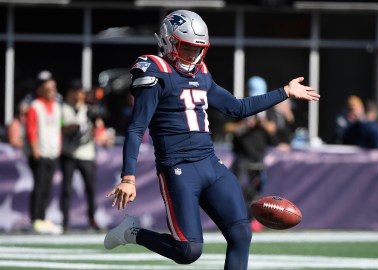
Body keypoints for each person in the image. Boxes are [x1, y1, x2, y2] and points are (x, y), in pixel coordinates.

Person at [103, 10, 319, 270]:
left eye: (197, 50)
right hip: (178, 168)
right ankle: (132, 232)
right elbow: (137, 128)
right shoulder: (154, 70)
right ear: (168, 42)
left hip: (210, 164)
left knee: (241, 234)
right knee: (188, 251)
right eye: (186, 49)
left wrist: (285, 92)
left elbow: (236, 108)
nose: (192, 56)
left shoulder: (201, 73)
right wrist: (128, 177)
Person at [224, 76, 277, 232]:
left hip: (258, 156)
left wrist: (262, 123)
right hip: (242, 156)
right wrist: (245, 123)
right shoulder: (241, 105)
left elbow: (273, 129)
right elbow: (227, 127)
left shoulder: (268, 108)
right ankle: (236, 220)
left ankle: (253, 219)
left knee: (256, 191)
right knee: (238, 189)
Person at [25, 75, 63, 235]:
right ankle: (36, 219)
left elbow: (58, 127)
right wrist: (35, 149)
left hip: (52, 151)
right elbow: (31, 129)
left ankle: (42, 217)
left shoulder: (56, 106)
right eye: (48, 89)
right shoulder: (35, 106)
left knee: (47, 187)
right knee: (39, 187)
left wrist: (59, 146)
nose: (52, 92)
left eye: (53, 89)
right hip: (39, 152)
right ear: (40, 90)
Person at [60, 80, 100, 232]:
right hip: (69, 153)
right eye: (76, 91)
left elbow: (98, 127)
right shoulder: (63, 108)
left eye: (81, 91)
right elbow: (62, 129)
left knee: (90, 188)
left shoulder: (89, 109)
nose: (79, 94)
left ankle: (92, 220)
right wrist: (75, 127)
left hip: (86, 153)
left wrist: (96, 121)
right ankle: (65, 222)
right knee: (67, 189)